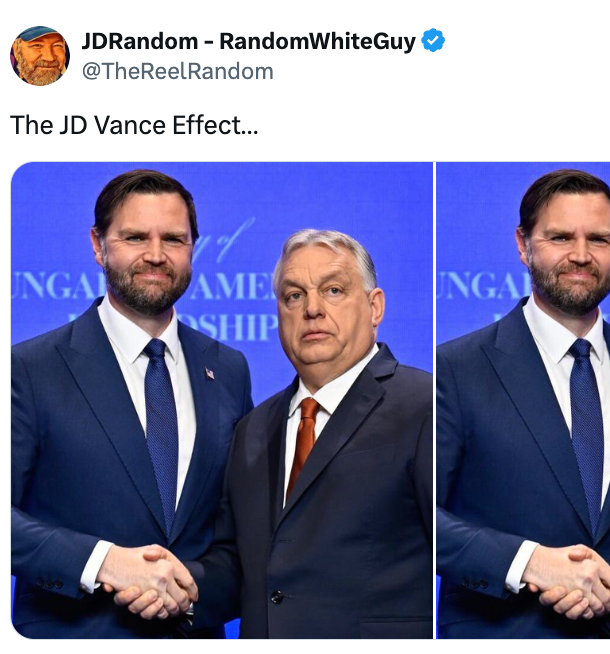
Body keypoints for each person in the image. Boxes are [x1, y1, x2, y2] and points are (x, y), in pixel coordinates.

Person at [119, 229, 433, 637]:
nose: (312, 310)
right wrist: (178, 587)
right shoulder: (254, 427)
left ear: (375, 307)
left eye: (334, 290)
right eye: (293, 296)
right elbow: (241, 566)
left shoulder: (423, 405)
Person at [436, 169, 610, 638]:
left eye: (600, 239)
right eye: (560, 237)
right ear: (523, 244)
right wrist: (529, 563)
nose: (581, 255)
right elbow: (419, 518)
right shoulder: (455, 368)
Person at [11, 170, 254, 638]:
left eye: (174, 239)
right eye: (135, 237)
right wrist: (104, 563)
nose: (156, 255)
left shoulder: (228, 368)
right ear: (98, 245)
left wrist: (188, 589)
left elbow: (237, 530)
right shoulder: (28, 369)